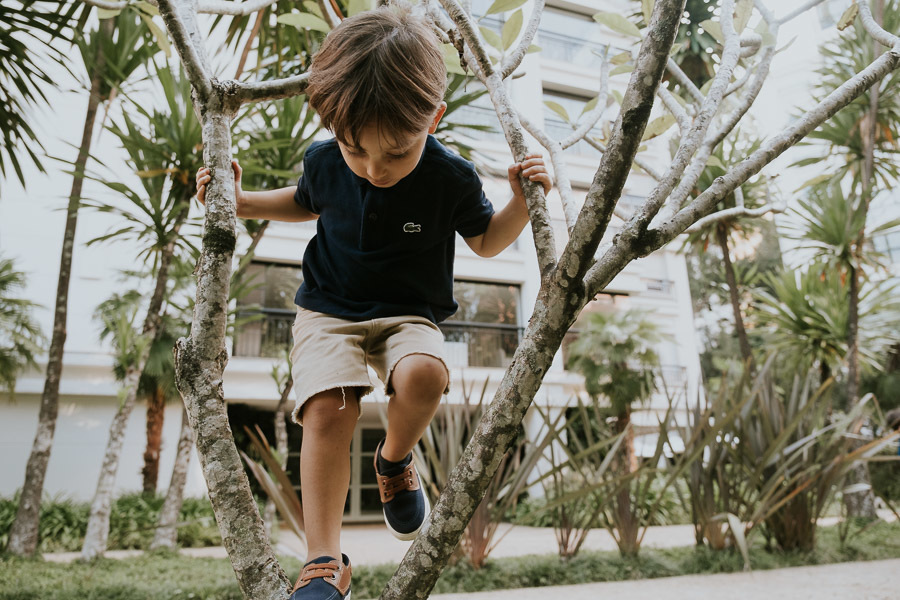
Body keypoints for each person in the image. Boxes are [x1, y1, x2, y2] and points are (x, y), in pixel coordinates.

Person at [195, 5, 551, 599]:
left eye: (395, 153)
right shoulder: (325, 159)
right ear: (335, 127)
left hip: (410, 313)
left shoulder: (450, 178)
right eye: (356, 150)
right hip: (328, 309)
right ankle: (323, 562)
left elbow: (488, 243)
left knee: (425, 375)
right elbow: (307, 201)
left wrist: (521, 199)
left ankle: (392, 462)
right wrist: (243, 201)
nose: (372, 169)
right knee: (330, 409)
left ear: (432, 120)